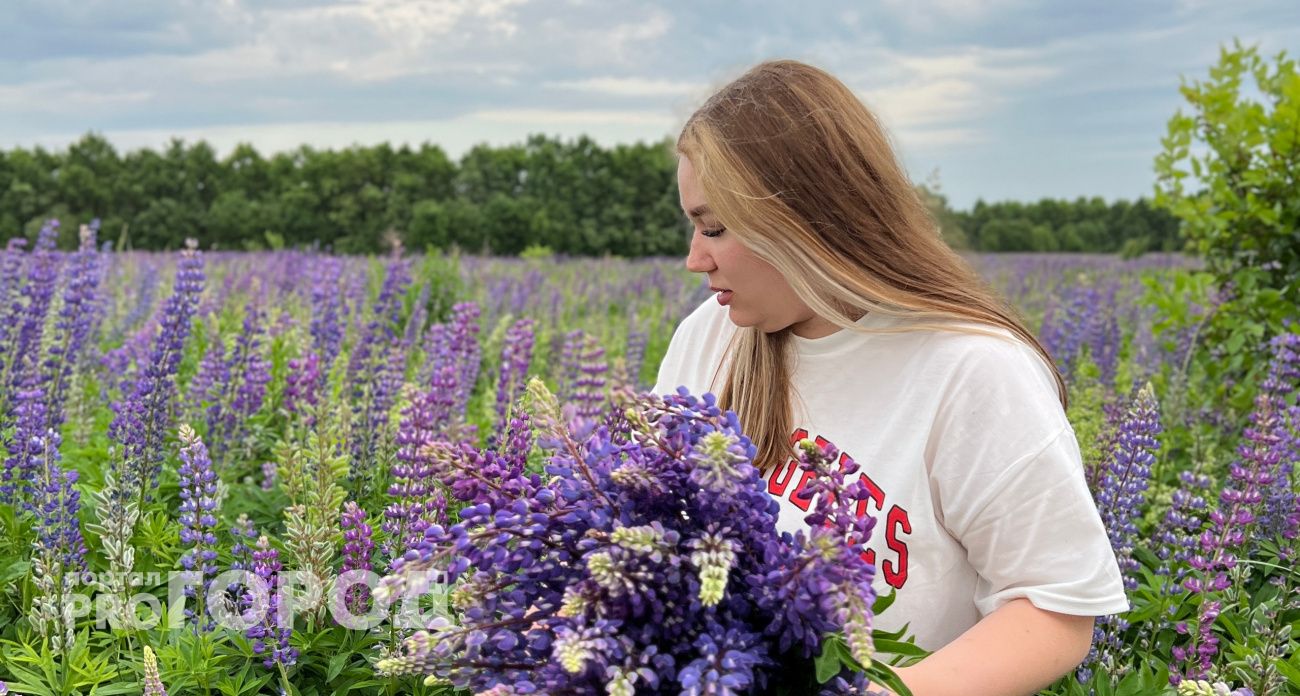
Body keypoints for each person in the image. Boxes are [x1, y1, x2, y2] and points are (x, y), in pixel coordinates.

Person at [653, 60, 1127, 695]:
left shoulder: (972, 367)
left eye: (714, 227)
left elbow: (1054, 609)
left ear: (805, 220)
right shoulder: (708, 338)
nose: (694, 258)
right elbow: (649, 527)